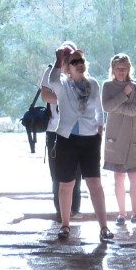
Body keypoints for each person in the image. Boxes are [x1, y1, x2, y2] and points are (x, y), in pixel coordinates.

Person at [46, 46, 114, 242]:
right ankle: (65, 225)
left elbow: (99, 111)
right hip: (67, 139)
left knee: (95, 183)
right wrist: (59, 58)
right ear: (67, 68)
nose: (79, 64)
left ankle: (103, 227)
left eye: (81, 61)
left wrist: (99, 129)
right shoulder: (63, 85)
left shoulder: (93, 84)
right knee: (66, 183)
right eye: (74, 62)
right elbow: (51, 81)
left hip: (89, 138)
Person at [102, 54, 136, 226]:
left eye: (124, 68)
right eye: (118, 68)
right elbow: (106, 107)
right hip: (115, 137)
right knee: (118, 177)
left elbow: (134, 109)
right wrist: (124, 94)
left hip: (134, 136)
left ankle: (135, 213)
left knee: (134, 176)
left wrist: (116, 105)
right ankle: (122, 213)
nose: (121, 72)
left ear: (129, 68)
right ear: (113, 69)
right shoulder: (107, 85)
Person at [40, 41, 82, 223]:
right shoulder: (51, 72)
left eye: (69, 54)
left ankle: (74, 209)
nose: (67, 57)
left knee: (77, 174)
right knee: (57, 174)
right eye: (64, 54)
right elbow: (46, 95)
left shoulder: (78, 71)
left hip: (76, 131)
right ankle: (60, 211)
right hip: (54, 131)